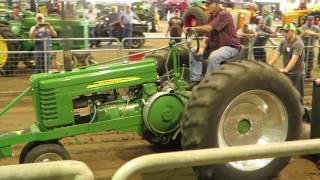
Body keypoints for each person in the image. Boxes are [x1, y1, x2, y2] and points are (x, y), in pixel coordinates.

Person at [187, 0, 240, 88]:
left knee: (214, 56)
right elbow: (206, 36)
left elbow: (208, 28)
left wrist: (193, 29)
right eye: (206, 4)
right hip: (216, 47)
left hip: (229, 47)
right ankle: (196, 80)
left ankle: (208, 85)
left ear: (216, 4)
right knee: (194, 51)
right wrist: (201, 49)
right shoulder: (210, 17)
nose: (207, 6)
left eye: (209, 4)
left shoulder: (224, 14)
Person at [268, 23, 305, 102]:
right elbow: (277, 55)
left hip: (297, 74)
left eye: (287, 31)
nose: (284, 33)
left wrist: (286, 69)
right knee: (288, 96)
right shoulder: (283, 42)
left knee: (298, 97)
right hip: (287, 74)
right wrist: (267, 66)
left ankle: (301, 113)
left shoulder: (298, 44)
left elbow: (294, 58)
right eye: (283, 31)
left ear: (293, 31)